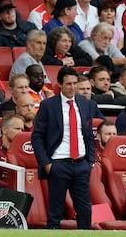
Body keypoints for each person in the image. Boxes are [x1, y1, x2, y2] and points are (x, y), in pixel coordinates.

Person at [32, 66, 104, 230]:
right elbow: (37, 137)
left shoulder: (87, 104)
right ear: (59, 84)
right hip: (58, 163)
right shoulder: (48, 106)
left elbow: (89, 133)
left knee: (85, 210)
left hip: (81, 164)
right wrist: (47, 164)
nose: (72, 87)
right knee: (55, 211)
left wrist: (90, 160)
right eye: (68, 84)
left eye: (75, 83)